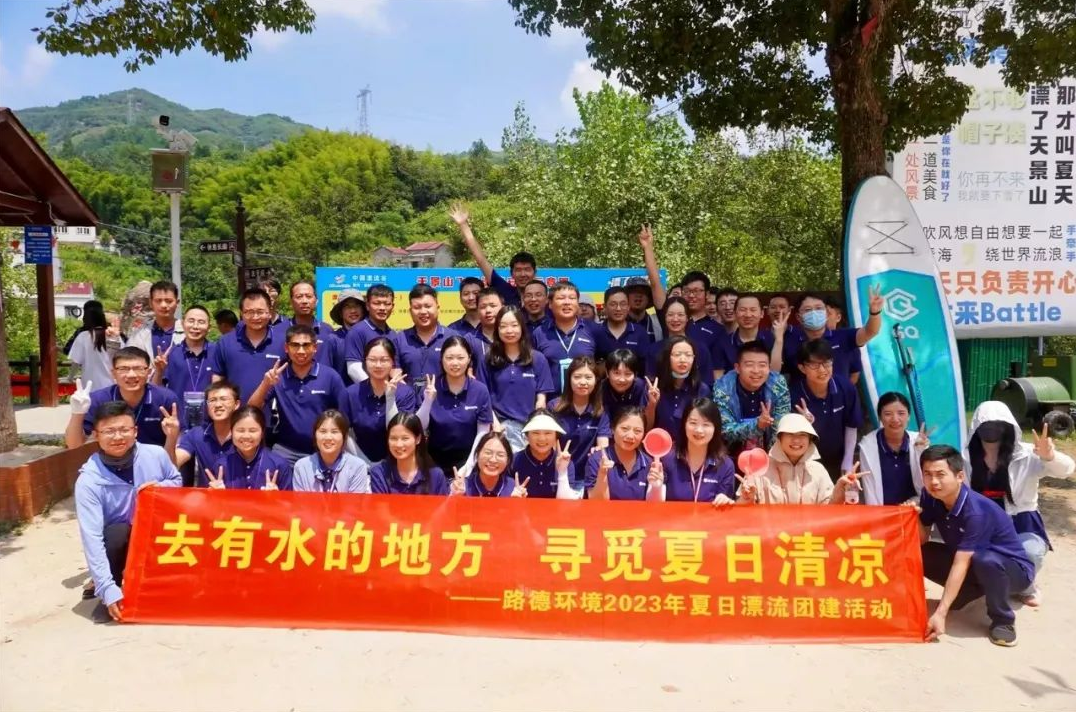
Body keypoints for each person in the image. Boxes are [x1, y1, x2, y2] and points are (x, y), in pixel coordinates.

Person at [74, 401, 182, 621]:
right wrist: (106, 588)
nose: (117, 437)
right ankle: (110, 593)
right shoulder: (88, 481)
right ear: (96, 435)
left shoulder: (156, 454)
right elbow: (92, 538)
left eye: (124, 429)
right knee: (115, 533)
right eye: (109, 431)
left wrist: (161, 487)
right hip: (120, 542)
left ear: (135, 431)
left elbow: (177, 480)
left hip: (156, 533)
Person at [919, 444, 1035, 647]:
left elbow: (961, 562)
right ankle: (969, 591)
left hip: (1014, 571)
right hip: (975, 562)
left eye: (940, 474)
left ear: (960, 476)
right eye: (927, 474)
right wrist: (914, 516)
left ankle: (1003, 620)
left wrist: (941, 613)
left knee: (985, 559)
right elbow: (922, 539)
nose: (934, 481)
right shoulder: (930, 496)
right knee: (922, 553)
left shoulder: (976, 511)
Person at [964, 401, 1075, 606]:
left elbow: (1067, 470)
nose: (991, 429)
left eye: (998, 424)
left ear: (1008, 426)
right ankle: (991, 584)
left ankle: (1026, 587)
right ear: (976, 427)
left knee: (1029, 553)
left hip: (1022, 521)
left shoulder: (1027, 454)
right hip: (984, 523)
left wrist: (1050, 457)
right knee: (974, 557)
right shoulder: (966, 457)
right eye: (986, 424)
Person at [247, 325, 348, 463]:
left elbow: (344, 416)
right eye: (295, 345)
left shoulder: (330, 376)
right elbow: (252, 408)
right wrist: (265, 384)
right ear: (286, 348)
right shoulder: (278, 376)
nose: (301, 351)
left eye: (306, 345)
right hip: (286, 450)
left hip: (322, 450)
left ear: (315, 348)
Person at [66, 347, 184, 449]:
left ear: (148, 372)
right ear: (113, 373)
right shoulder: (98, 400)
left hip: (154, 462)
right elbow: (74, 445)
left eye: (138, 369)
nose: (131, 375)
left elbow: (179, 440)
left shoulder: (165, 399)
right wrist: (77, 413)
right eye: (123, 369)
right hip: (110, 463)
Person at [736, 413, 860, 505]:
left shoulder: (818, 470)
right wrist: (746, 499)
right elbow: (741, 516)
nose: (796, 440)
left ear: (810, 440)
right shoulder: (759, 468)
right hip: (769, 533)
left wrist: (840, 490)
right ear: (779, 438)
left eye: (802, 435)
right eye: (790, 434)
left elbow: (829, 513)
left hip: (808, 533)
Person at [788, 339, 862, 481]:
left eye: (826, 363)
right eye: (814, 365)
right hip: (806, 463)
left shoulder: (846, 387)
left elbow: (852, 425)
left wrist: (847, 461)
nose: (822, 370)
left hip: (839, 459)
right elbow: (789, 439)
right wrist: (803, 425)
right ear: (802, 368)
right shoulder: (794, 395)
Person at [417, 336, 494, 475]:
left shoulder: (480, 390)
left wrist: (469, 466)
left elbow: (482, 432)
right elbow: (419, 427)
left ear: (469, 359)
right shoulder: (430, 388)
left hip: (470, 460)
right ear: (442, 359)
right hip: (434, 462)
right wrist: (428, 401)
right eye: (449, 358)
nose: (455, 363)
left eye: (460, 358)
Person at [482, 305, 554, 452]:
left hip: (528, 428)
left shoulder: (537, 359)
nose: (509, 331)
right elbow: (483, 397)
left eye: (514, 325)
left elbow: (541, 400)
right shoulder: (488, 359)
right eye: (503, 326)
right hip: (499, 427)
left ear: (522, 327)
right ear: (497, 329)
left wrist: (534, 428)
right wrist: (495, 424)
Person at [339, 337, 417, 465]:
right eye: (372, 360)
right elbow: (343, 432)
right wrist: (364, 463)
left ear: (392, 362)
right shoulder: (351, 393)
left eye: (384, 360)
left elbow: (399, 431)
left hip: (398, 462)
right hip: (360, 462)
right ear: (365, 361)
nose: (378, 365)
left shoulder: (405, 393)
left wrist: (390, 397)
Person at [778, 290, 883, 382]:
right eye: (808, 310)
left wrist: (875, 313)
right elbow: (775, 372)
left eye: (819, 308)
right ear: (798, 316)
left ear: (826, 313)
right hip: (802, 398)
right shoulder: (789, 339)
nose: (814, 313)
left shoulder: (844, 336)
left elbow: (870, 331)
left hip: (840, 397)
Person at [712, 340, 791, 460]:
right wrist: (757, 425)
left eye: (762, 365)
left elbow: (780, 428)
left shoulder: (778, 384)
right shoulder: (723, 387)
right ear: (737, 368)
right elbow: (725, 431)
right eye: (749, 365)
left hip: (769, 453)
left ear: (769, 368)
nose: (756, 370)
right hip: (730, 454)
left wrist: (771, 461)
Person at [450, 201, 536, 306]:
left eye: (527, 269)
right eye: (518, 270)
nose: (523, 274)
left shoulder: (544, 297)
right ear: (511, 273)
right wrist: (463, 225)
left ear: (534, 272)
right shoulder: (505, 290)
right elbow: (481, 260)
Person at [209, 288, 285, 402]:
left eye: (260, 312)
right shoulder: (226, 342)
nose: (255, 317)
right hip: (236, 410)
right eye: (249, 312)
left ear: (269, 312)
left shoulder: (283, 342)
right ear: (241, 314)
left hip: (272, 411)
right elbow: (218, 377)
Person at [857, 392, 931, 506]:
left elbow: (927, 485)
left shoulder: (918, 441)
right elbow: (869, 488)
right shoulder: (868, 445)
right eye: (888, 414)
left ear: (909, 416)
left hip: (915, 507)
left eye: (901, 413)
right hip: (883, 511)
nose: (895, 419)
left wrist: (922, 451)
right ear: (880, 417)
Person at [532, 281, 607, 393]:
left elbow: (606, 361)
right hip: (552, 401)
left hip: (586, 400)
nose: (567, 302)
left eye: (572, 298)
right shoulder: (540, 333)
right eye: (561, 298)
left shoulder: (594, 330)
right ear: (550, 304)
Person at [659, 398, 737, 504]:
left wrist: (725, 500)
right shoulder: (667, 459)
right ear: (684, 424)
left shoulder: (726, 465)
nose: (699, 430)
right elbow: (656, 504)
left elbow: (726, 506)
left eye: (706, 424)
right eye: (693, 423)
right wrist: (655, 486)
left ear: (716, 428)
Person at [164, 380, 239, 485]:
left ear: (236, 404)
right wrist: (171, 437)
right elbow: (172, 465)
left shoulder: (245, 434)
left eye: (224, 399)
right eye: (212, 400)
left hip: (239, 493)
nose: (218, 405)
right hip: (206, 494)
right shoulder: (196, 434)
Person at [153, 304, 216, 428]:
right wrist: (159, 371)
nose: (195, 326)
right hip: (178, 425)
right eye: (191, 321)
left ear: (209, 327)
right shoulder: (171, 353)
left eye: (201, 322)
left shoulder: (217, 352)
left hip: (212, 424)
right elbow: (156, 390)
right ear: (182, 324)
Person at [550, 356, 611, 478]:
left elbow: (603, 446)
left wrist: (599, 451)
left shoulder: (601, 411)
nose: (583, 382)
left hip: (588, 477)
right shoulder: (554, 407)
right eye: (577, 377)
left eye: (588, 377)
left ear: (596, 380)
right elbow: (549, 444)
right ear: (569, 379)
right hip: (558, 474)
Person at [205, 406, 293, 490]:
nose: (246, 436)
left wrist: (277, 496)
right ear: (231, 432)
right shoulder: (221, 466)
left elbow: (289, 499)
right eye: (240, 430)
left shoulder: (279, 465)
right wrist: (217, 495)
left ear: (262, 433)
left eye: (252, 431)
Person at [587, 407, 664, 501]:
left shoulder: (649, 464)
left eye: (637, 431)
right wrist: (602, 473)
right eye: (625, 429)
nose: (630, 436)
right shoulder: (596, 459)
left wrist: (656, 487)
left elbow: (654, 505)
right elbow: (596, 502)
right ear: (612, 429)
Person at [274, 280, 346, 378]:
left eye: (308, 296)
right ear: (291, 302)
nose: (304, 301)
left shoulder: (327, 331)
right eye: (299, 297)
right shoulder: (278, 331)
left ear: (316, 301)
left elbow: (337, 365)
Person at [292, 410, 371, 493]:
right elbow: (300, 501)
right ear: (315, 435)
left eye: (334, 432)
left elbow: (354, 501)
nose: (328, 437)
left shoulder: (358, 467)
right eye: (323, 431)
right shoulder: (301, 467)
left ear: (344, 436)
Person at [649, 336, 710, 443]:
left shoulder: (701, 389)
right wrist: (652, 405)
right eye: (677, 355)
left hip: (690, 446)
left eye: (688, 355)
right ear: (667, 358)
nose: (683, 360)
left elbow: (705, 426)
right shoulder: (654, 388)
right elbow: (646, 428)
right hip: (660, 446)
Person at [369, 413, 449, 495]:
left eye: (405, 438)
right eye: (393, 438)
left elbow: (443, 503)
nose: (399, 444)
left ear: (418, 439)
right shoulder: (379, 473)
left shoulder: (436, 475)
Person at [645, 297, 715, 388]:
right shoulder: (654, 349)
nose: (675, 319)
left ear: (687, 318)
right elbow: (650, 383)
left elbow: (707, 383)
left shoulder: (701, 349)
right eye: (670, 315)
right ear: (664, 317)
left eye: (680, 315)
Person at [510, 409, 579, 499]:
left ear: (556, 436)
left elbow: (566, 502)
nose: (542, 439)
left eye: (548, 433)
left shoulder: (565, 462)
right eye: (536, 433)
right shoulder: (514, 461)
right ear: (527, 435)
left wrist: (562, 472)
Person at [396, 284, 449, 388]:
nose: (423, 312)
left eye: (428, 306)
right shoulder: (400, 339)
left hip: (443, 398)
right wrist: (408, 394)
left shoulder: (452, 338)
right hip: (410, 398)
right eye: (417, 307)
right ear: (410, 311)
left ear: (438, 308)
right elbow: (395, 371)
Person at [712, 295, 779, 376]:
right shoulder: (723, 343)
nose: (748, 315)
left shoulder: (771, 339)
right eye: (743, 310)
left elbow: (775, 374)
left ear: (762, 313)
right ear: (735, 313)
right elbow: (718, 376)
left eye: (753, 310)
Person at [344, 284, 397, 383]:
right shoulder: (357, 331)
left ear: (392, 306)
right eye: (377, 303)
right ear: (367, 306)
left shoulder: (393, 334)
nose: (382, 308)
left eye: (387, 304)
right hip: (366, 391)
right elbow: (353, 369)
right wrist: (374, 388)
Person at [449, 431, 528, 497]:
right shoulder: (463, 486)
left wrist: (517, 504)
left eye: (500, 455)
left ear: (508, 460)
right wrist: (455, 497)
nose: (493, 460)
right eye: (488, 453)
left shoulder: (513, 487)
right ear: (477, 455)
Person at [126, 280, 184, 366]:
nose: (163, 305)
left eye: (168, 301)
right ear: (151, 303)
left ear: (177, 303)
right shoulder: (139, 334)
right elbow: (127, 361)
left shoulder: (188, 332)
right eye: (158, 301)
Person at [68, 306, 122, 389]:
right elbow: (124, 357)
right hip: (110, 385)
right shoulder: (115, 336)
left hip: (89, 386)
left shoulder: (83, 336)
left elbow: (76, 362)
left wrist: (70, 377)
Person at [599, 286, 650, 359]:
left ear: (628, 307)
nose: (618, 309)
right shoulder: (596, 331)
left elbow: (645, 362)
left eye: (623, 304)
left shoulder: (639, 332)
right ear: (605, 307)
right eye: (613, 304)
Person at [601, 349, 651, 422]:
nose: (622, 379)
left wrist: (652, 404)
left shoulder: (641, 387)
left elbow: (645, 423)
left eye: (628, 374)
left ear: (635, 375)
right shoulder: (600, 388)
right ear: (607, 373)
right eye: (616, 373)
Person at [467, 287, 505, 359]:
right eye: (483, 307)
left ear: (503, 308)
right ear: (477, 310)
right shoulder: (470, 339)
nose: (488, 310)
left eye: (493, 306)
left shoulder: (511, 336)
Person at [624, 275, 663, 343]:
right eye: (634, 291)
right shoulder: (618, 322)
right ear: (626, 297)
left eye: (643, 292)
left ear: (649, 298)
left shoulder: (657, 323)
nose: (639, 295)